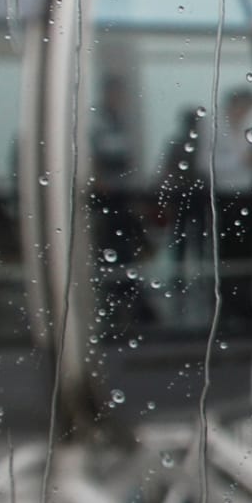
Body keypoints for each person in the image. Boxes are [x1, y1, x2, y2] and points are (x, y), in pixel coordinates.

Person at [89, 76, 155, 325]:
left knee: (124, 248)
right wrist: (98, 180)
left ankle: (129, 299)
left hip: (121, 195)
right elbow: (94, 154)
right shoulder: (98, 122)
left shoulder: (118, 123)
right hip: (107, 198)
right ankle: (122, 300)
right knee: (114, 248)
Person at [203, 88, 252, 320]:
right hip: (225, 198)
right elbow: (206, 164)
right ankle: (226, 305)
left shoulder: (244, 130)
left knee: (247, 252)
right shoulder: (215, 128)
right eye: (245, 108)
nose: (247, 113)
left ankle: (245, 303)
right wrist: (243, 161)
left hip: (246, 196)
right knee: (228, 254)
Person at [157, 107, 210, 297]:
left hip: (190, 196)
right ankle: (190, 279)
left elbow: (167, 170)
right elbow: (168, 170)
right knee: (190, 239)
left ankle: (184, 279)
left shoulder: (182, 144)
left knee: (188, 239)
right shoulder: (193, 145)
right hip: (188, 195)